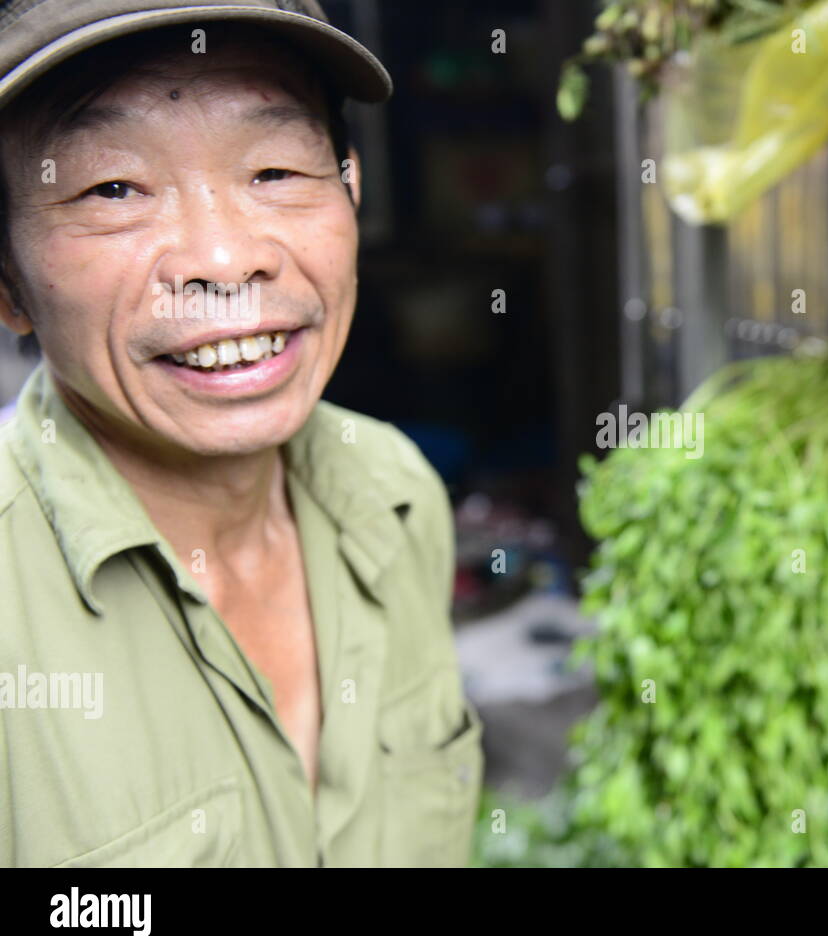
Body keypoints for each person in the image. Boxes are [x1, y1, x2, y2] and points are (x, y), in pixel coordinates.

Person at [0, 1, 482, 866]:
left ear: (352, 189)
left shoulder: (396, 493)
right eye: (113, 187)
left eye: (274, 170)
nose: (224, 260)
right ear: (7, 283)